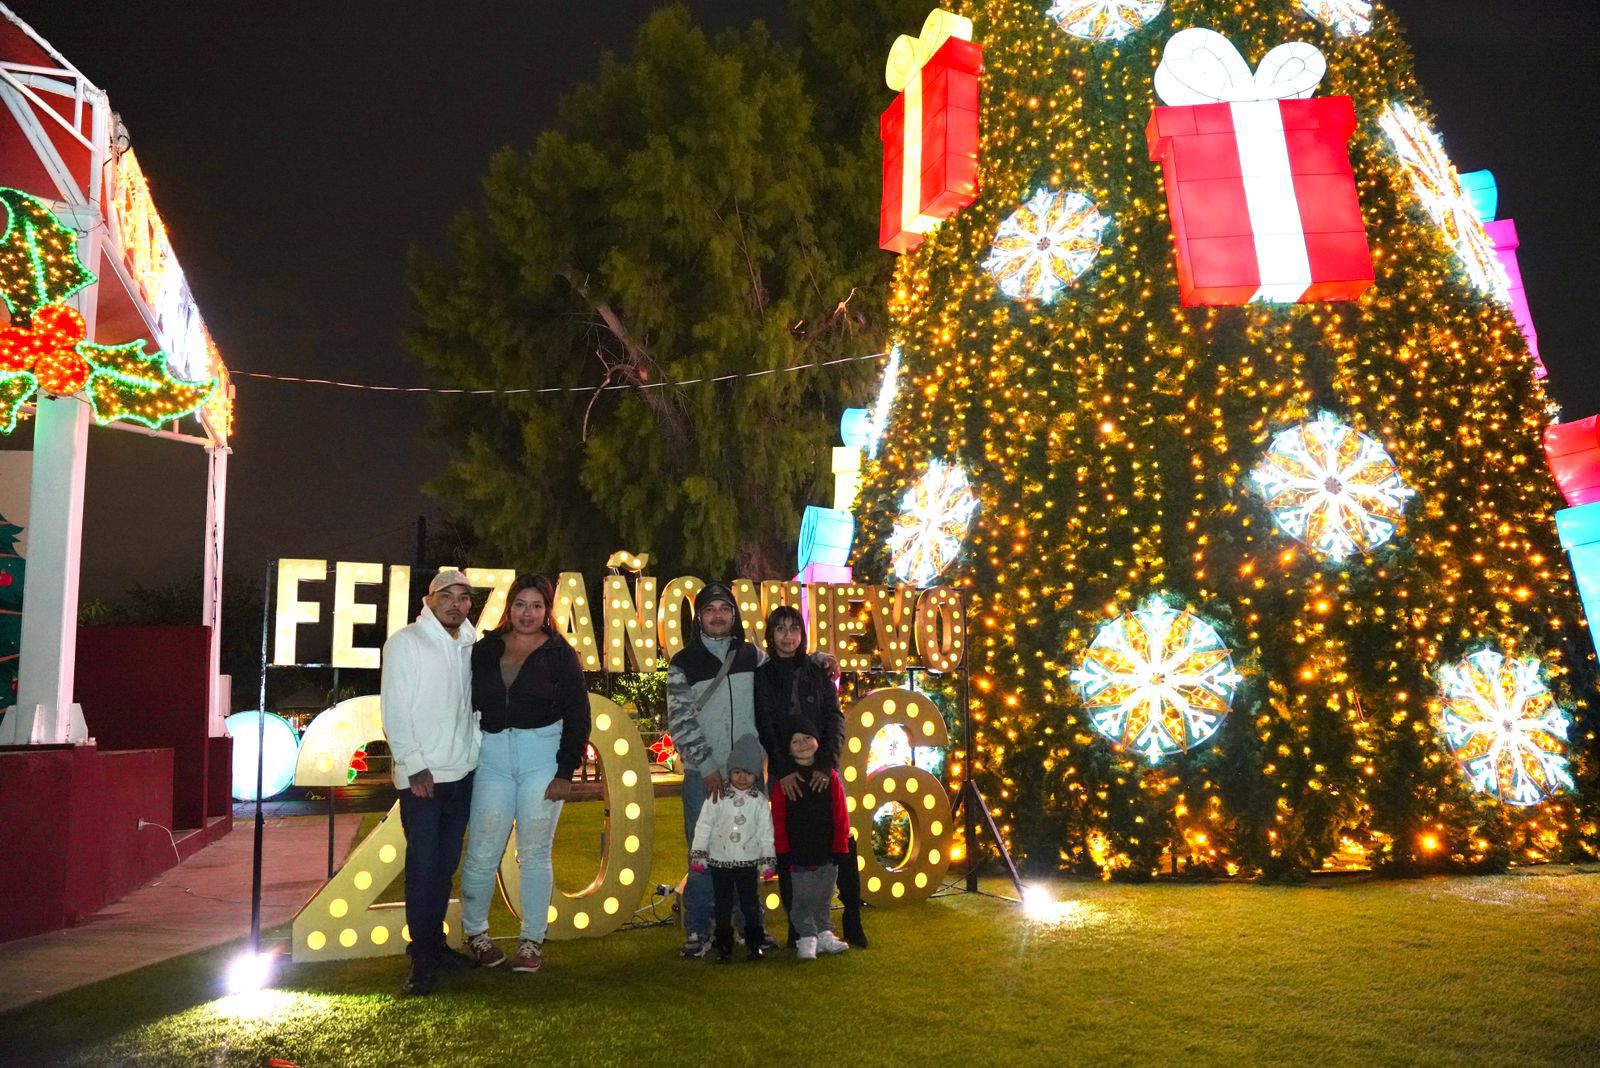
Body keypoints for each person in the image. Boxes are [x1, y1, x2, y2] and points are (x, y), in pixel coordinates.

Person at [668, 582, 839, 958]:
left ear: (734, 615)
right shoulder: (683, 662)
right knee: (703, 851)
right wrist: (707, 766)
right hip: (704, 776)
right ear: (699, 617)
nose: (717, 616)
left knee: (747, 850)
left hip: (749, 775)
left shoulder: (751, 655)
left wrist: (820, 658)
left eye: (724, 609)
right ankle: (699, 928)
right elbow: (680, 721)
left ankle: (750, 926)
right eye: (710, 609)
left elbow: (786, 660)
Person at [459, 573, 589, 975]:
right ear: (509, 607)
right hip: (492, 756)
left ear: (547, 610)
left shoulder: (560, 654)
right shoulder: (485, 650)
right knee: (482, 850)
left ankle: (532, 940)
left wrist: (565, 770)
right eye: (520, 604)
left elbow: (578, 715)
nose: (527, 613)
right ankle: (476, 934)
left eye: (536, 605)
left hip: (542, 758)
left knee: (534, 853)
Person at [381, 569, 480, 996]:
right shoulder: (406, 642)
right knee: (423, 867)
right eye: (447, 596)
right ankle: (421, 958)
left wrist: (474, 751)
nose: (456, 604)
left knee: (443, 867)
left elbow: (471, 706)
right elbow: (395, 708)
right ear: (429, 599)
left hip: (462, 774)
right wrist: (414, 764)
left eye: (463, 597)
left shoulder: (470, 644)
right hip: (423, 779)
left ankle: (435, 946)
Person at [754, 604, 870, 949]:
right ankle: (798, 927)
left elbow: (834, 719)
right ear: (771, 635)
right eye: (780, 629)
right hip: (785, 773)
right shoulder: (763, 676)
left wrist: (827, 764)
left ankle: (852, 917)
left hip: (822, 770)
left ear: (802, 634)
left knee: (841, 841)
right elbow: (766, 725)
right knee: (790, 847)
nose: (787, 636)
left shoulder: (818, 671)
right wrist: (783, 770)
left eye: (794, 629)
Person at [688, 734, 776, 963]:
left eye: (748, 773)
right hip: (720, 862)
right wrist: (699, 853)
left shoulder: (759, 802)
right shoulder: (717, 796)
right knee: (722, 906)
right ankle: (724, 945)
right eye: (737, 772)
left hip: (748, 863)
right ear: (729, 772)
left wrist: (768, 859)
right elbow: (704, 825)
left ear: (756, 775)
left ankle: (754, 943)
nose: (742, 778)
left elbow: (766, 833)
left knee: (750, 905)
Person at [771, 722, 851, 960]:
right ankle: (806, 936)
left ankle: (824, 932)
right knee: (801, 898)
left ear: (818, 741)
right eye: (795, 741)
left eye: (807, 737)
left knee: (824, 896)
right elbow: (778, 818)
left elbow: (841, 814)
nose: (803, 744)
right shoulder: (784, 782)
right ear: (788, 749)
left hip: (827, 851)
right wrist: (782, 850)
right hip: (798, 853)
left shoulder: (830, 777)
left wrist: (840, 846)